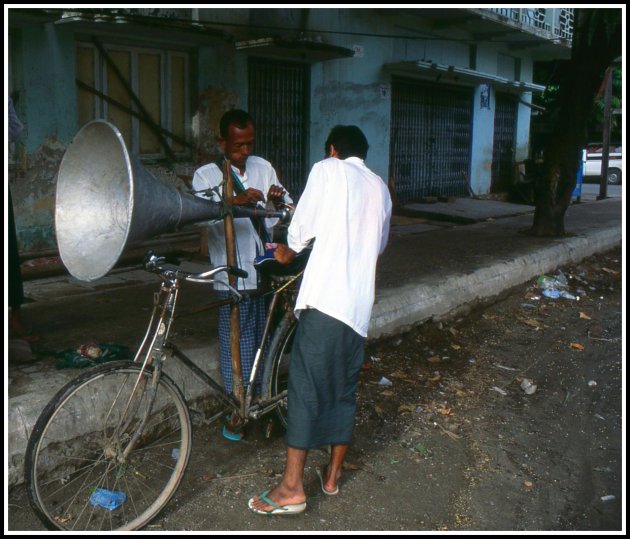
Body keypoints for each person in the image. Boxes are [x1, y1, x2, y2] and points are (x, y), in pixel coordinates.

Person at [248, 125, 392, 515]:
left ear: (333, 150)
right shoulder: (380, 188)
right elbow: (376, 245)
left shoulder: (327, 170)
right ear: (363, 153)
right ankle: (331, 477)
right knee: (343, 390)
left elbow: (300, 230)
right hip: (357, 308)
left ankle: (292, 488)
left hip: (326, 299)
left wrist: (285, 251)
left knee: (307, 389)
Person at [192, 109, 290, 440]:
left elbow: (280, 214)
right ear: (222, 142)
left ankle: (262, 402)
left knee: (262, 341)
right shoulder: (206, 176)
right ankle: (238, 406)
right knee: (235, 342)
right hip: (230, 274)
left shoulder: (263, 168)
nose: (245, 151)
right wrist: (235, 200)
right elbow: (203, 218)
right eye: (238, 146)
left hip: (260, 271)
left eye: (249, 144)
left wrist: (275, 201)